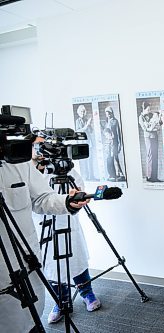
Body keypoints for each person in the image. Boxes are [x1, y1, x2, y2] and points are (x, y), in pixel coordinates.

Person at [0, 153, 88, 332]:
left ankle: (86, 293)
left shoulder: (18, 162)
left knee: (30, 319)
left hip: (23, 261)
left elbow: (42, 198)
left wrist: (68, 201)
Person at [32, 138, 101, 324]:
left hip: (69, 221)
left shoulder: (65, 169)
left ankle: (88, 293)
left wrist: (77, 197)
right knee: (53, 267)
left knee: (77, 260)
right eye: (36, 146)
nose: (40, 150)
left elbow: (80, 189)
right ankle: (60, 302)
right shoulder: (30, 173)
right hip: (45, 225)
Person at [138, 101, 162, 182]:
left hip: (155, 136)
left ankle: (155, 177)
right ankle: (149, 176)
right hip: (148, 137)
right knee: (150, 155)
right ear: (144, 108)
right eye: (148, 109)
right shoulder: (141, 117)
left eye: (150, 109)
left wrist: (160, 117)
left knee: (155, 155)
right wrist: (152, 127)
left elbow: (159, 123)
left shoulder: (152, 114)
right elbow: (145, 128)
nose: (149, 110)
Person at [75, 104, 96, 181]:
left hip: (89, 143)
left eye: (84, 111)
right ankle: (86, 177)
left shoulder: (86, 120)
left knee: (90, 161)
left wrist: (89, 125)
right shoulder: (77, 121)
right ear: (78, 112)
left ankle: (92, 176)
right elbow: (79, 131)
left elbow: (90, 131)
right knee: (84, 161)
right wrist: (87, 125)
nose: (83, 113)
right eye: (81, 111)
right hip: (82, 145)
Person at [104, 106, 125, 181]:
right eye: (107, 114)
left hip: (114, 142)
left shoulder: (115, 121)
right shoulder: (106, 122)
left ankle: (120, 174)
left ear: (112, 113)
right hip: (108, 143)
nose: (108, 115)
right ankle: (112, 175)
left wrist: (120, 144)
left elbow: (118, 134)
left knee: (115, 158)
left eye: (109, 114)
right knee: (109, 159)